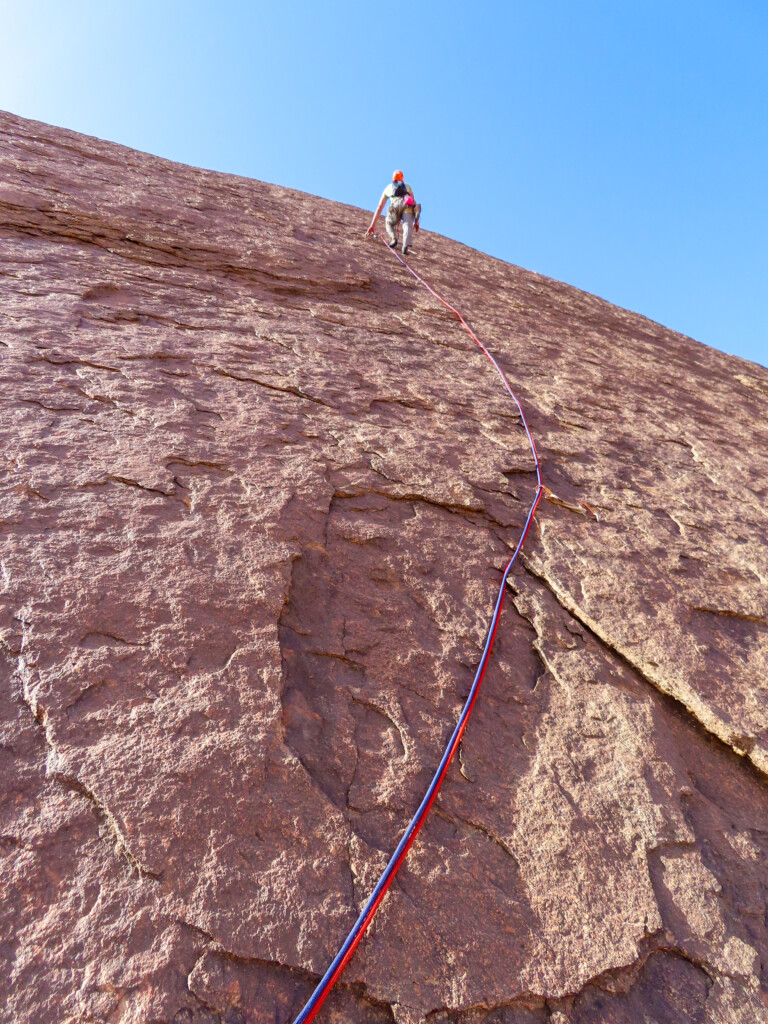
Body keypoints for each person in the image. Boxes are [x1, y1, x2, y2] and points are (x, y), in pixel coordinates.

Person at [366, 170, 420, 255]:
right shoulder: (407, 186)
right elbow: (414, 202)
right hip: (407, 205)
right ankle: (405, 245)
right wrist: (416, 221)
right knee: (407, 224)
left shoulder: (388, 188)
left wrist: (372, 225)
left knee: (389, 221)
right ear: (402, 178)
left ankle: (394, 238)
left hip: (396, 206)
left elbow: (380, 207)